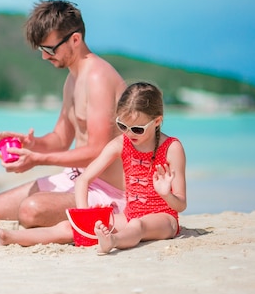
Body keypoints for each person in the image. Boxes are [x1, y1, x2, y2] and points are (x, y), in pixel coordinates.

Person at [0, 0, 127, 228]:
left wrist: (39, 160)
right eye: (41, 50)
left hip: (109, 191)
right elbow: (61, 139)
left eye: (50, 49)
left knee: (31, 211)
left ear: (75, 39)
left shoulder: (98, 78)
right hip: (75, 178)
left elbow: (97, 151)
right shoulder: (72, 79)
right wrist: (32, 145)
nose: (44, 57)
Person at [74, 82, 187, 254]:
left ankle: (112, 241)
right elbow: (83, 179)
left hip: (165, 219)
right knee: (67, 228)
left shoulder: (172, 148)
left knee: (138, 225)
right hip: (130, 215)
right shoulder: (120, 143)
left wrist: (166, 194)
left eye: (137, 129)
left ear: (157, 121)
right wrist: (84, 217)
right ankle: (16, 237)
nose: (129, 133)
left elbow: (181, 205)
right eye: (122, 126)